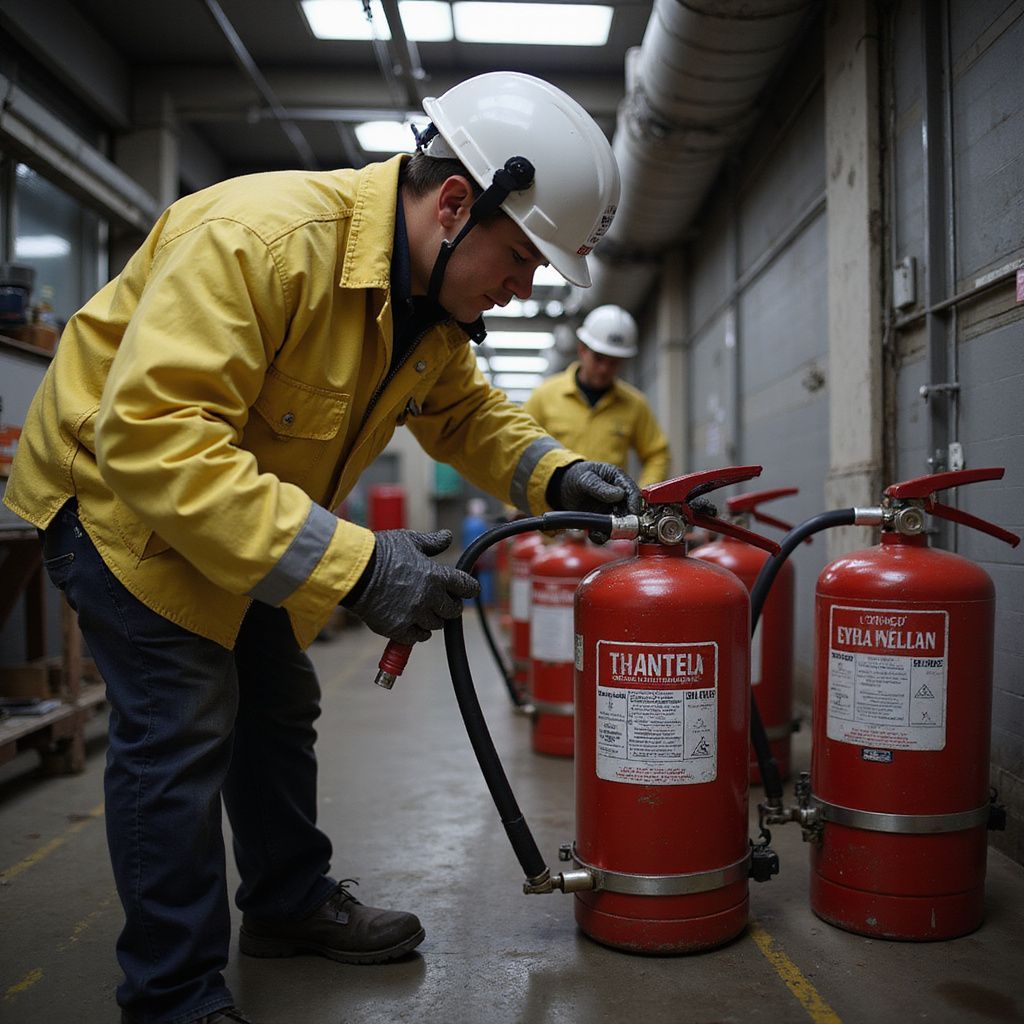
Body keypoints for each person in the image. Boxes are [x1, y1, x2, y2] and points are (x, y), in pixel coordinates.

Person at [2, 71, 640, 1024]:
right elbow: (154, 440)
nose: (523, 287)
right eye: (518, 259)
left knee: (277, 698)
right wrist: (363, 565)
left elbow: (466, 414)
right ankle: (172, 994)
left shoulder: (426, 308)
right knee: (181, 727)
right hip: (116, 497)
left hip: (239, 502)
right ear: (456, 202)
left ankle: (287, 904)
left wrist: (557, 473)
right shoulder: (263, 241)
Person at [523, 305, 670, 487]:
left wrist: (645, 496)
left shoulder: (635, 404)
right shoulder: (544, 396)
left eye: (614, 362)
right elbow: (521, 450)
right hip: (553, 511)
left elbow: (656, 453)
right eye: (599, 358)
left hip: (611, 512)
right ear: (582, 349)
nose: (604, 369)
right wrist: (513, 505)